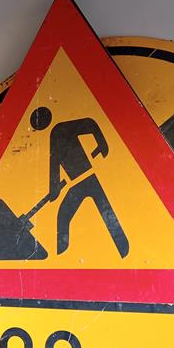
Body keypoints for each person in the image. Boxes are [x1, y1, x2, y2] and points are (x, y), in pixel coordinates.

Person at [30, 106, 129, 258]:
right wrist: (54, 189)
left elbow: (90, 123)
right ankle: (61, 255)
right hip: (79, 182)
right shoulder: (54, 135)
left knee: (102, 213)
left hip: (87, 177)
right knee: (67, 215)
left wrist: (102, 145)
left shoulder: (59, 130)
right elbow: (54, 165)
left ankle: (124, 249)